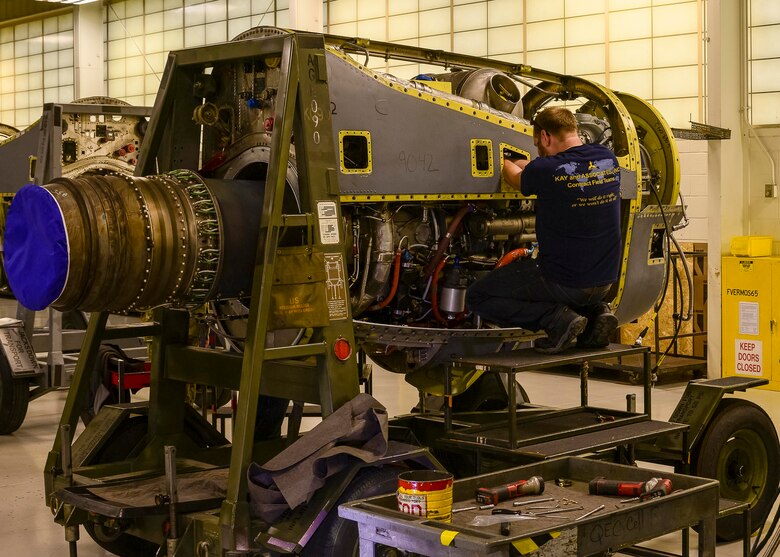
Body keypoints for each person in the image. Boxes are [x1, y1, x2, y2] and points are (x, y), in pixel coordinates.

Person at [467, 106, 621, 353]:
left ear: (546, 136)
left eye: (538, 143)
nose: (539, 149)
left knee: (477, 296)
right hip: (604, 282)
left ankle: (556, 320)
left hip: (564, 281)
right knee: (574, 288)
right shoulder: (606, 159)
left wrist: (502, 157)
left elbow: (513, 175)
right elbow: (551, 168)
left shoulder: (546, 170)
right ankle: (597, 313)